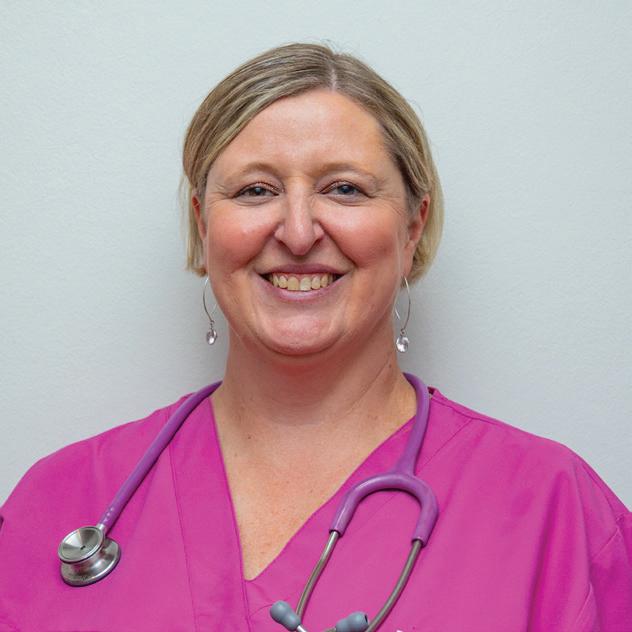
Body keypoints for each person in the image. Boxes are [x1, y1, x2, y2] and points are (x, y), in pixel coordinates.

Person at [0, 42, 630, 632]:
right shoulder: (56, 502)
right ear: (203, 224)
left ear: (413, 226)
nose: (298, 233)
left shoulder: (552, 508)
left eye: (344, 189)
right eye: (256, 191)